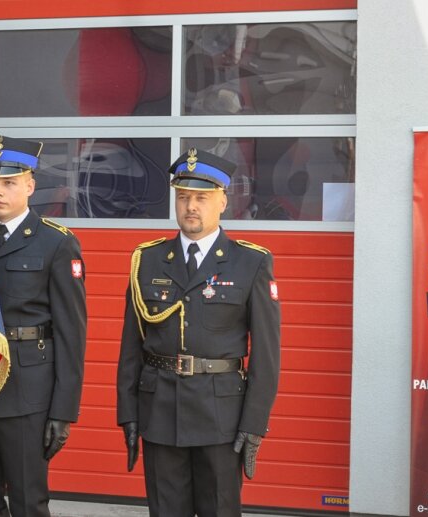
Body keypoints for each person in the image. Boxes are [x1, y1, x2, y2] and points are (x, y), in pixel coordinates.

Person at [116, 148, 281, 517]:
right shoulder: (148, 260)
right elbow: (131, 346)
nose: (191, 206)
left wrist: (254, 424)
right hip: (159, 414)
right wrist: (128, 413)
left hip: (220, 417)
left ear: (223, 201)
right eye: (183, 197)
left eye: (202, 198)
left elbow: (267, 356)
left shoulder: (250, 262)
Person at [0, 136, 87, 516]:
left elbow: (71, 334)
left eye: (9, 182)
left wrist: (64, 410)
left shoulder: (56, 244)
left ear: (30, 185)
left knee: (29, 501)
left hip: (27, 392)